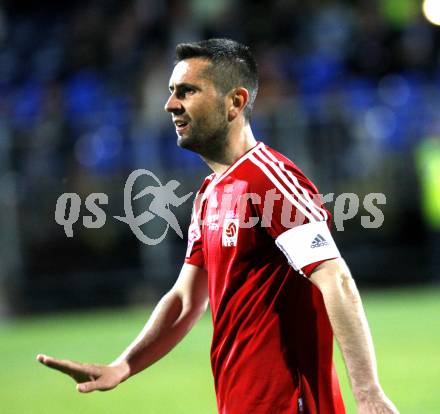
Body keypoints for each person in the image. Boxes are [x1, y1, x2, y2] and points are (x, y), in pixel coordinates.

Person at [37, 39, 399, 414]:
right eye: (171, 91)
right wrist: (124, 365)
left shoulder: (270, 180)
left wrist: (368, 392)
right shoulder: (210, 192)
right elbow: (185, 300)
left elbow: (335, 279)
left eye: (187, 91)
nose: (171, 104)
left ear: (235, 102)